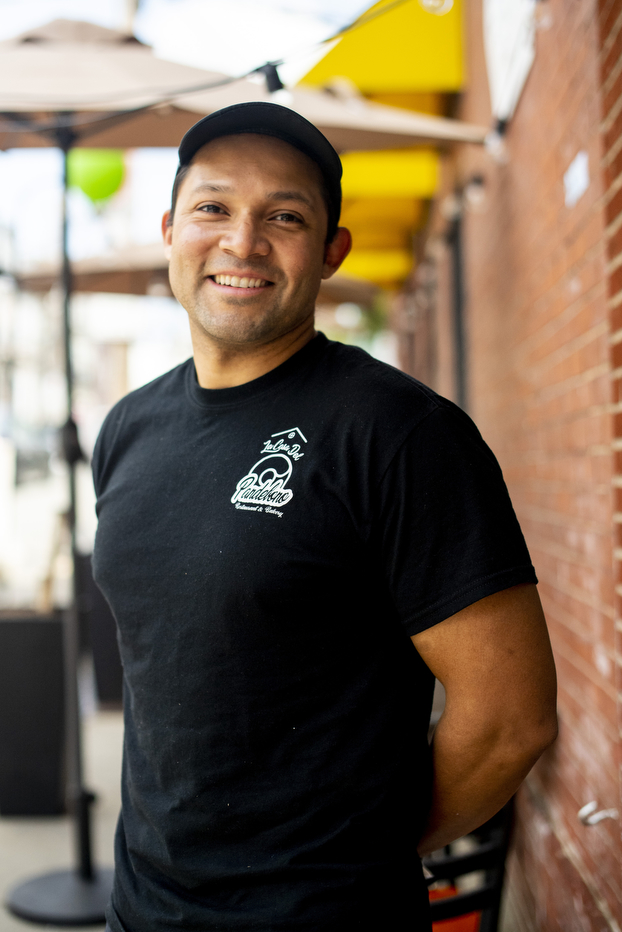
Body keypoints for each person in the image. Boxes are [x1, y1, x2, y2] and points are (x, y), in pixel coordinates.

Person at [92, 102, 557, 932]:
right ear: (170, 228)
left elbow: (508, 721)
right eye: (213, 207)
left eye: (285, 216)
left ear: (331, 251)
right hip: (142, 911)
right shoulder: (127, 429)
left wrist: (358, 856)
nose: (242, 242)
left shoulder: (399, 434)